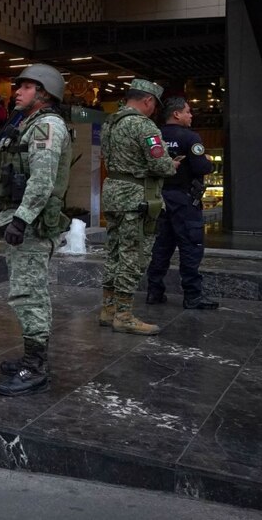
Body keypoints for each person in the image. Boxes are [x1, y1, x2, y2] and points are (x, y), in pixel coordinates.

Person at [0, 64, 72, 397]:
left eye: (25, 87)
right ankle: (32, 356)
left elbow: (42, 179)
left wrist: (21, 220)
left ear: (44, 93)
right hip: (28, 220)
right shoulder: (30, 124)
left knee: (29, 293)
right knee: (29, 291)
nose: (17, 92)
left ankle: (35, 367)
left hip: (32, 225)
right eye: (18, 87)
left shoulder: (46, 125)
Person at [100, 79, 179, 336]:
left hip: (112, 194)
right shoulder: (144, 125)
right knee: (133, 256)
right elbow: (161, 165)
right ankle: (124, 315)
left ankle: (108, 309)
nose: (154, 110)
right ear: (148, 100)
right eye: (154, 105)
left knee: (113, 253)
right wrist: (171, 165)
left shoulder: (110, 123)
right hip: (136, 199)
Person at [145, 97, 218, 310]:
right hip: (185, 201)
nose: (191, 115)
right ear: (177, 114)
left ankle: (154, 292)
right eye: (188, 111)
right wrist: (210, 163)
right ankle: (193, 296)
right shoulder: (190, 137)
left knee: (161, 247)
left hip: (159, 199)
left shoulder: (155, 137)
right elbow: (202, 167)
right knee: (191, 246)